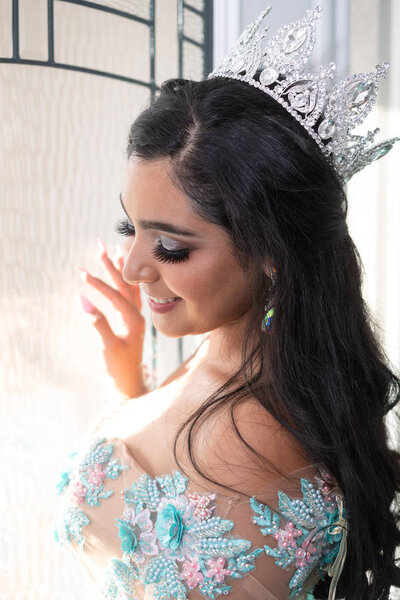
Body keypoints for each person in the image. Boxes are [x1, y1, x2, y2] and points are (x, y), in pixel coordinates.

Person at [53, 5, 400, 600]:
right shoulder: (228, 354)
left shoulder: (257, 443)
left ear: (272, 252)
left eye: (168, 246)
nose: (135, 267)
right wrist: (134, 387)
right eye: (128, 226)